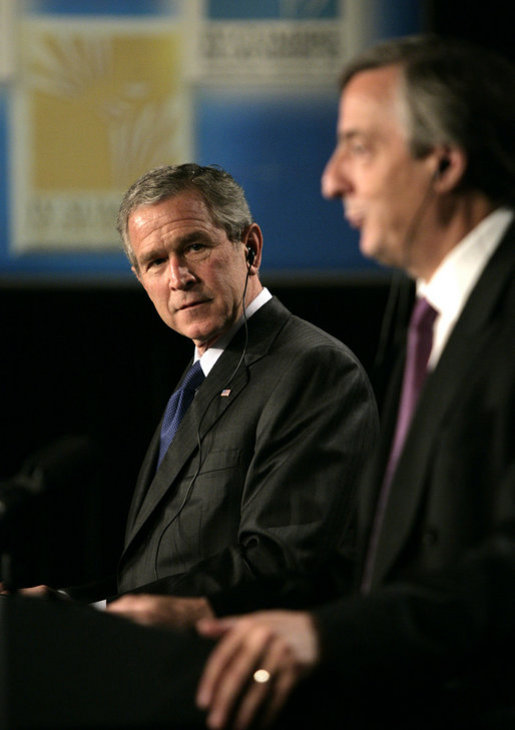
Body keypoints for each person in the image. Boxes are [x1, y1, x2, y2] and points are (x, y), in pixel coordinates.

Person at [193, 35, 515, 730]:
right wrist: (204, 610)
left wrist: (330, 638)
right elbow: (385, 556)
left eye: (358, 148)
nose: (331, 180)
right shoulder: (417, 310)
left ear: (443, 161)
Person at [62, 163, 374, 627]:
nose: (177, 277)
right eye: (154, 261)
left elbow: (280, 560)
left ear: (249, 248)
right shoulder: (199, 379)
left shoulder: (311, 367)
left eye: (194, 246)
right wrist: (64, 607)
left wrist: (104, 615)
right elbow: (162, 569)